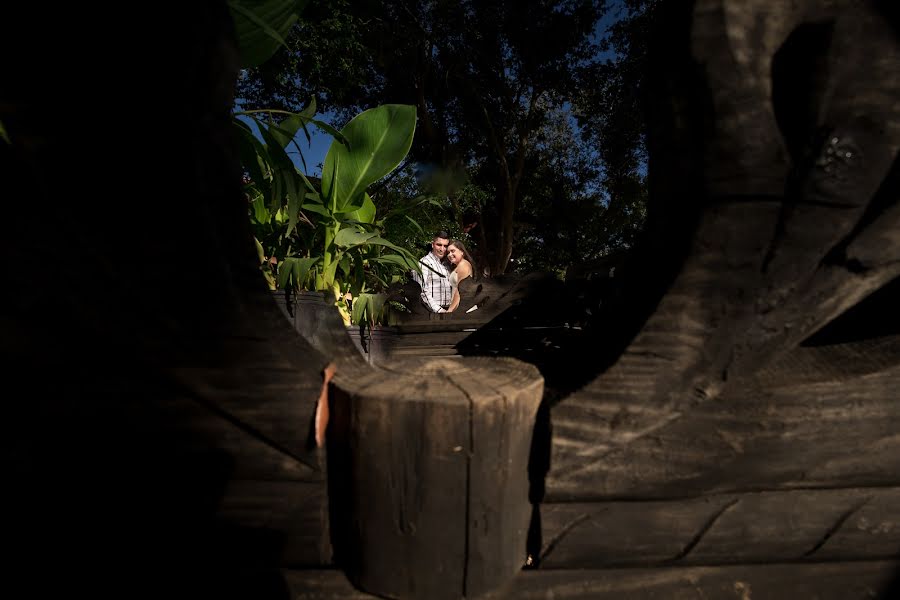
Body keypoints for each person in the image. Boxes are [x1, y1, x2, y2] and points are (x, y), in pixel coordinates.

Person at [411, 231, 453, 313]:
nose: (442, 249)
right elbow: (421, 290)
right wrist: (439, 310)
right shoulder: (424, 263)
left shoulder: (446, 265)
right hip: (430, 312)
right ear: (432, 244)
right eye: (439, 245)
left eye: (445, 246)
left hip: (447, 311)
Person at [446, 239, 475, 313]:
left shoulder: (463, 265)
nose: (449, 254)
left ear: (462, 252)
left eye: (453, 251)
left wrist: (450, 310)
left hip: (461, 308)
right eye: (448, 252)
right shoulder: (459, 265)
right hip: (457, 306)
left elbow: (459, 291)